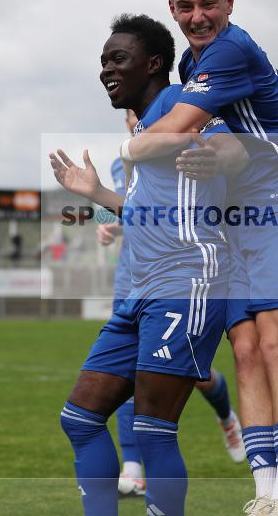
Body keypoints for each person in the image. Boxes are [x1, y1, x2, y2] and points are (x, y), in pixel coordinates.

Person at [122, 0, 278, 516]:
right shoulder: (192, 71)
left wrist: (131, 146)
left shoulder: (232, 49)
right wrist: (213, 159)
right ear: (172, 9)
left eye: (209, 3)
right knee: (244, 350)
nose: (198, 17)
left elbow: (178, 127)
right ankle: (264, 494)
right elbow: (223, 143)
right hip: (235, 219)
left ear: (230, 2)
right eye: (185, 7)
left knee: (277, 345)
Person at [50, 14, 247, 516]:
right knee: (80, 418)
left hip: (188, 282)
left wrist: (219, 156)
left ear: (154, 63)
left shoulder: (182, 104)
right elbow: (146, 210)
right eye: (103, 61)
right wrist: (96, 193)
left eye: (118, 58)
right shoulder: (143, 132)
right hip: (140, 292)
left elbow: (233, 146)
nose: (106, 69)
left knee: (153, 428)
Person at [101, 110, 246, 497]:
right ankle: (133, 467)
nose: (136, 120)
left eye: (141, 113)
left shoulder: (190, 147)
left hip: (181, 277)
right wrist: (106, 222)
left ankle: (226, 415)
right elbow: (125, 205)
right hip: (132, 277)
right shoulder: (123, 159)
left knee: (195, 375)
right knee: (129, 371)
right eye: (131, 116)